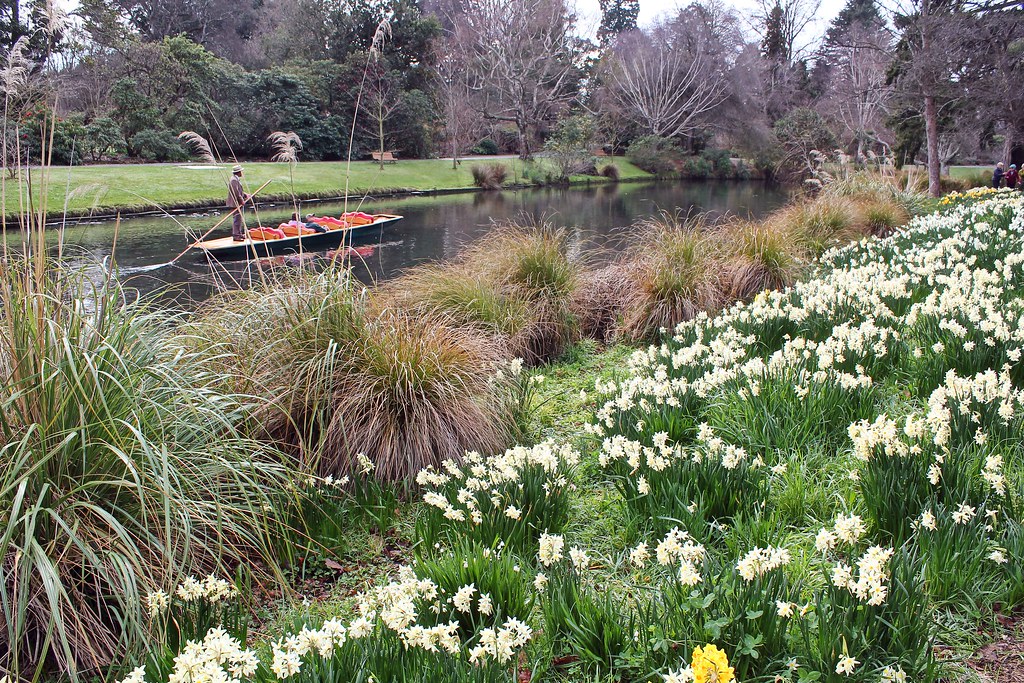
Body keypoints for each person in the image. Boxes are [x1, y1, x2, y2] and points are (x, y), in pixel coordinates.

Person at [227, 165, 249, 241]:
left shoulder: (236, 179)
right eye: (241, 171)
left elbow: (239, 190)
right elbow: (236, 192)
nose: (242, 172)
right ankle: (236, 236)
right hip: (234, 203)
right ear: (238, 172)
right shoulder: (233, 180)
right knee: (237, 219)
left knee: (239, 219)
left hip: (237, 202)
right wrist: (241, 200)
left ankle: (239, 234)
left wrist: (245, 195)